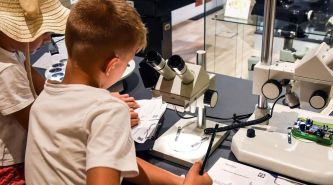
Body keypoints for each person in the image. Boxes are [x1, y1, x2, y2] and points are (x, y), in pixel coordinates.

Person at [25, 0, 213, 185]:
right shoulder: (109, 111)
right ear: (112, 65)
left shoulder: (42, 102)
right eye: (126, 62)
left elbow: (116, 159)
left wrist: (178, 182)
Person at [0, 0, 70, 184]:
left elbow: (43, 85)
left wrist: (89, 100)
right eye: (45, 31)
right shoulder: (6, 71)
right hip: (12, 166)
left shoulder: (12, 49)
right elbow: (37, 126)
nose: (49, 39)